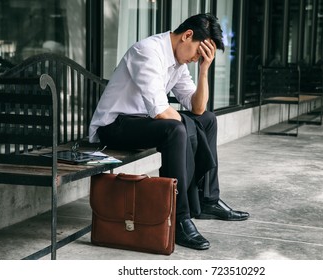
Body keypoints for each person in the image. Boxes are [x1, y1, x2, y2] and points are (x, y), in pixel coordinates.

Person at [89, 13, 249, 250]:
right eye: (199, 52)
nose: (197, 58)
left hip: (141, 122)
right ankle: (179, 217)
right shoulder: (147, 52)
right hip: (114, 126)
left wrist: (204, 70)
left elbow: (197, 107)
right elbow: (160, 112)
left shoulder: (178, 62)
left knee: (208, 120)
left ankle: (208, 200)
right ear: (187, 36)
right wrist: (188, 125)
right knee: (176, 130)